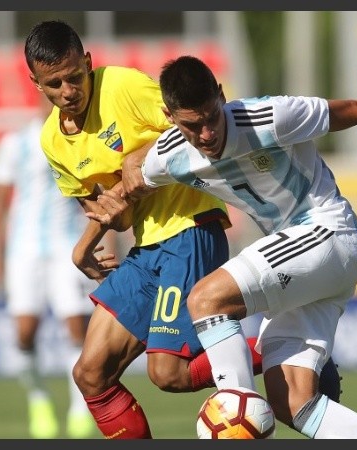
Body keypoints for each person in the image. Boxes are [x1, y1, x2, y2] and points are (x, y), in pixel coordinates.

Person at [96, 55, 357, 439]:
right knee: (292, 402)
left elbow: (353, 109)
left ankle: (234, 411)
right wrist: (88, 243)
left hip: (326, 232)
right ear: (169, 116)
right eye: (191, 125)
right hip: (308, 267)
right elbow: (123, 193)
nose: (205, 134)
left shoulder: (267, 117)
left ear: (221, 95)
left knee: (206, 300)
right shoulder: (171, 155)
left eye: (211, 117)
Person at [23, 20, 283, 440]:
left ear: (88, 63)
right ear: (36, 83)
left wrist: (138, 158)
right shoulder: (52, 142)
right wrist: (86, 243)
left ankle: (287, 351)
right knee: (90, 375)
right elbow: (117, 215)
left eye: (75, 76)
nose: (69, 91)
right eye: (55, 84)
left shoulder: (123, 87)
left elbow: (195, 129)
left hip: (190, 229)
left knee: (169, 373)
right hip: (146, 247)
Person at [0, 94, 112, 438]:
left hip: (66, 246)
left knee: (76, 326)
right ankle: (38, 397)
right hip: (23, 249)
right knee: (24, 333)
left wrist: (108, 243)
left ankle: (78, 408)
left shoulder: (81, 142)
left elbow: (99, 195)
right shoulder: (16, 144)